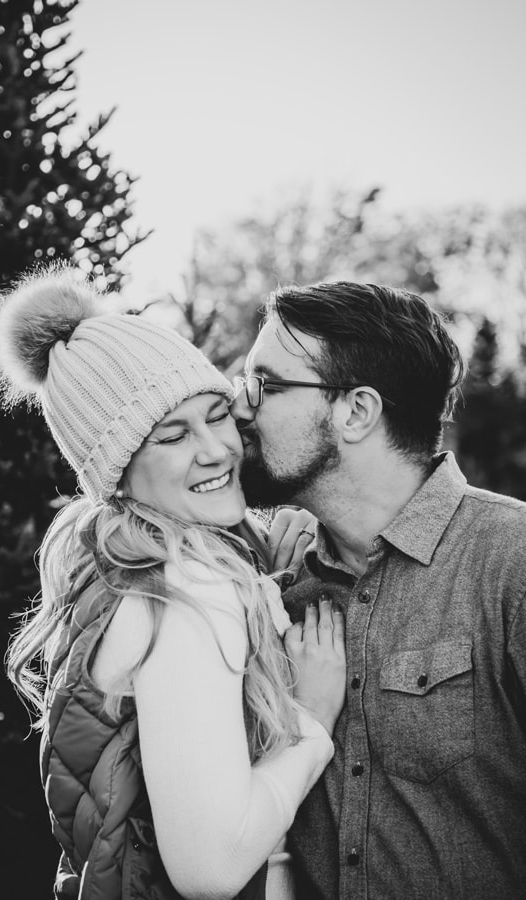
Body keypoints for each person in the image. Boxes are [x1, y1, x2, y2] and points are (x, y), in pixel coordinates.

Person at [0, 264, 346, 900]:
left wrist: (273, 580)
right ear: (115, 470)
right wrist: (312, 722)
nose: (217, 450)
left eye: (217, 416)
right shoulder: (184, 590)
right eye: (173, 436)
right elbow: (210, 870)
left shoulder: (114, 571)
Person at [231, 280, 526, 900]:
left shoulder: (512, 561)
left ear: (356, 411)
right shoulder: (278, 593)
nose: (240, 408)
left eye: (266, 384)